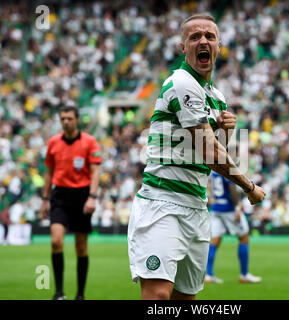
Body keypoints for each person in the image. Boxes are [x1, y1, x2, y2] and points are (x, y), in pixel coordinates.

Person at [128, 13, 266, 300]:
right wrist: (249, 187)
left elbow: (214, 156)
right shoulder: (182, 82)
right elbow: (210, 153)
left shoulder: (216, 96)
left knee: (185, 300)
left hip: (196, 207)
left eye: (209, 36)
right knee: (158, 298)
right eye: (194, 37)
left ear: (219, 46)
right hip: (162, 205)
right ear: (183, 47)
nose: (203, 41)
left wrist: (227, 130)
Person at [40, 105, 102, 300]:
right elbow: (49, 172)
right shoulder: (53, 143)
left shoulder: (89, 142)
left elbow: (95, 172)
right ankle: (59, 293)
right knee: (56, 241)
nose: (66, 122)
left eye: (69, 118)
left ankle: (80, 294)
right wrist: (44, 199)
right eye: (63, 119)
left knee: (81, 247)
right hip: (60, 196)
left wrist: (92, 197)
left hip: (82, 196)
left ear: (77, 120)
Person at [205, 171, 262, 284]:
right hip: (228, 208)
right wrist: (237, 207)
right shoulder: (227, 165)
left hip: (217, 207)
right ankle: (244, 274)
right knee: (244, 237)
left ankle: (209, 275)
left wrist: (212, 197)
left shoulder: (215, 168)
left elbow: (212, 184)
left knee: (215, 241)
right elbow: (231, 187)